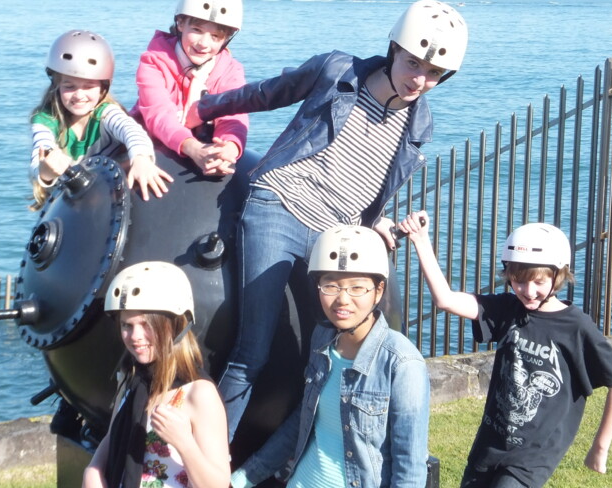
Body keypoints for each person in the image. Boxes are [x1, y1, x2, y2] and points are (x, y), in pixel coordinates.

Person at [184, 0, 469, 440]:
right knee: (252, 350)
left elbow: (371, 179)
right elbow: (267, 93)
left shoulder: (418, 124)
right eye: (413, 63)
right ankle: (205, 459)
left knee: (334, 352)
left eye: (433, 74)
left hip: (334, 234)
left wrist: (370, 221)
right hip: (279, 206)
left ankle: (289, 461)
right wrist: (204, 109)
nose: (420, 79)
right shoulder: (338, 71)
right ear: (394, 49)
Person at [396, 214, 612, 488]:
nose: (527, 290)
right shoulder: (509, 310)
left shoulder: (576, 327)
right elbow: (446, 300)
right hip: (490, 444)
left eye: (538, 281)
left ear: (558, 276)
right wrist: (421, 241)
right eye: (518, 279)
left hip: (532, 457)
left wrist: (599, 446)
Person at [229, 225, 430, 488]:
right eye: (330, 285)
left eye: (357, 287)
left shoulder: (402, 363)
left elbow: (411, 470)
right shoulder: (323, 337)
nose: (342, 300)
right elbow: (305, 419)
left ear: (378, 290)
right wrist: (248, 475)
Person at [80, 262, 230, 488]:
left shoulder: (198, 393)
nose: (135, 336)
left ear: (174, 326)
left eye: (146, 324)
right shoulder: (133, 381)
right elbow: (113, 435)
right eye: (127, 325)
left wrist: (184, 442)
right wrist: (93, 469)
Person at [30, 30, 172, 210]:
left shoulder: (106, 114)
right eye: (69, 86)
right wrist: (46, 171)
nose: (79, 95)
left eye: (89, 86)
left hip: (108, 197)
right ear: (56, 85)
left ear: (103, 88)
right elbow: (40, 152)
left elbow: (131, 131)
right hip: (70, 204)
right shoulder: (46, 120)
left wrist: (142, 158)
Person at [132, 0, 248, 177]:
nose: (204, 43)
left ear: (226, 39)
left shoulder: (230, 70)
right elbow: (159, 114)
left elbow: (234, 113)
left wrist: (228, 148)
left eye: (215, 36)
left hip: (203, 143)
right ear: (180, 23)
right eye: (197, 30)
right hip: (152, 145)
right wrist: (192, 147)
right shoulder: (154, 62)